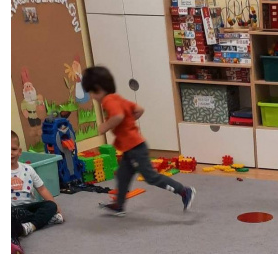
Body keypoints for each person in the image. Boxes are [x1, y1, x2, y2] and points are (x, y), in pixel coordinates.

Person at [81, 65, 195, 216]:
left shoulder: (108, 100)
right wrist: (128, 123)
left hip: (134, 148)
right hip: (131, 148)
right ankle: (119, 205)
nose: (92, 96)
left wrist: (105, 127)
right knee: (122, 175)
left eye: (91, 92)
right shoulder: (118, 98)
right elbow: (139, 110)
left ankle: (184, 191)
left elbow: (118, 116)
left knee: (151, 177)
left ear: (98, 89)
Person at [11, 130, 63, 254]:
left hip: (30, 207)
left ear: (19, 151)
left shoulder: (28, 169)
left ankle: (29, 226)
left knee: (50, 205)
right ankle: (16, 238)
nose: (10, 153)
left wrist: (56, 206)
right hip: (12, 211)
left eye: (13, 149)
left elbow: (42, 189)